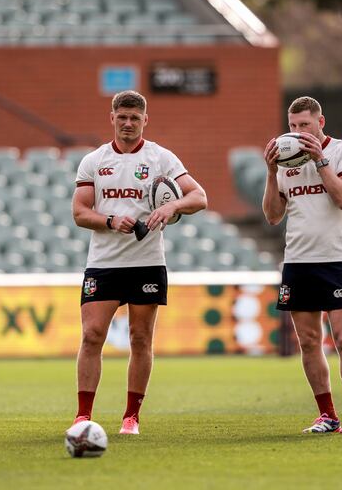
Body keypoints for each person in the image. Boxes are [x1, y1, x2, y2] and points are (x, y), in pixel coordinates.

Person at [71, 90, 207, 435]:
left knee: (140, 338)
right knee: (92, 335)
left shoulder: (161, 158)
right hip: (104, 262)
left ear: (145, 120)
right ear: (112, 118)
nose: (128, 123)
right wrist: (110, 221)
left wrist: (171, 207)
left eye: (135, 118)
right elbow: (79, 212)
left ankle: (131, 416)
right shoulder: (94, 160)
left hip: (146, 262)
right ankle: (83, 415)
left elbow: (199, 196)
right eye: (122, 117)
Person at [262, 96, 342, 434]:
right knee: (308, 342)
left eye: (304, 125)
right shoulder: (286, 161)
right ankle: (327, 414)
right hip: (298, 261)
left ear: (320, 123)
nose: (296, 133)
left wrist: (320, 161)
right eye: (292, 126)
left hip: (336, 259)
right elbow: (273, 215)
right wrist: (271, 171)